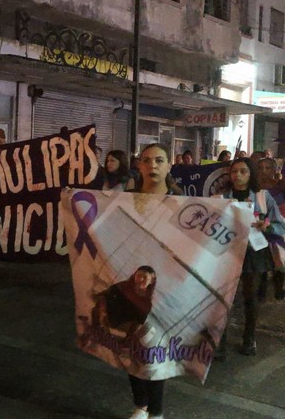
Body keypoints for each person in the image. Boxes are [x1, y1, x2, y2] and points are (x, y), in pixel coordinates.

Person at [125, 143, 181, 419]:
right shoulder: (126, 199)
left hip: (165, 283)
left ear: (169, 165)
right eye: (146, 160)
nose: (153, 166)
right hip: (131, 279)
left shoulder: (181, 203)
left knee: (157, 347)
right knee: (131, 342)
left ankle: (155, 411)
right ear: (139, 166)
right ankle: (141, 403)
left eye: (159, 160)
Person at [219, 158, 285, 355]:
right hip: (226, 251)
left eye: (243, 171)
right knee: (223, 298)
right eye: (234, 171)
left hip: (254, 251)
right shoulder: (221, 197)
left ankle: (249, 338)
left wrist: (267, 226)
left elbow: (280, 224)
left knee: (251, 296)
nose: (238, 175)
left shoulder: (262, 197)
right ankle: (219, 340)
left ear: (250, 174)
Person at [92, 266, 156, 340]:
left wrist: (128, 337)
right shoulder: (125, 286)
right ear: (135, 275)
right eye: (139, 276)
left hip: (122, 325)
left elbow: (137, 324)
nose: (141, 279)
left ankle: (99, 330)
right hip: (109, 315)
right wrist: (97, 296)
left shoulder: (146, 304)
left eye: (145, 277)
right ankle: (97, 329)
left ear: (151, 281)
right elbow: (109, 291)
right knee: (101, 302)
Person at [256, 158, 285, 301]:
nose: (263, 171)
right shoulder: (254, 190)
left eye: (267, 168)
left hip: (278, 230)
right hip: (260, 231)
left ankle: (279, 288)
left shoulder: (281, 187)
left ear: (274, 170)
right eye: (260, 167)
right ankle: (261, 289)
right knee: (262, 261)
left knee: (279, 261)